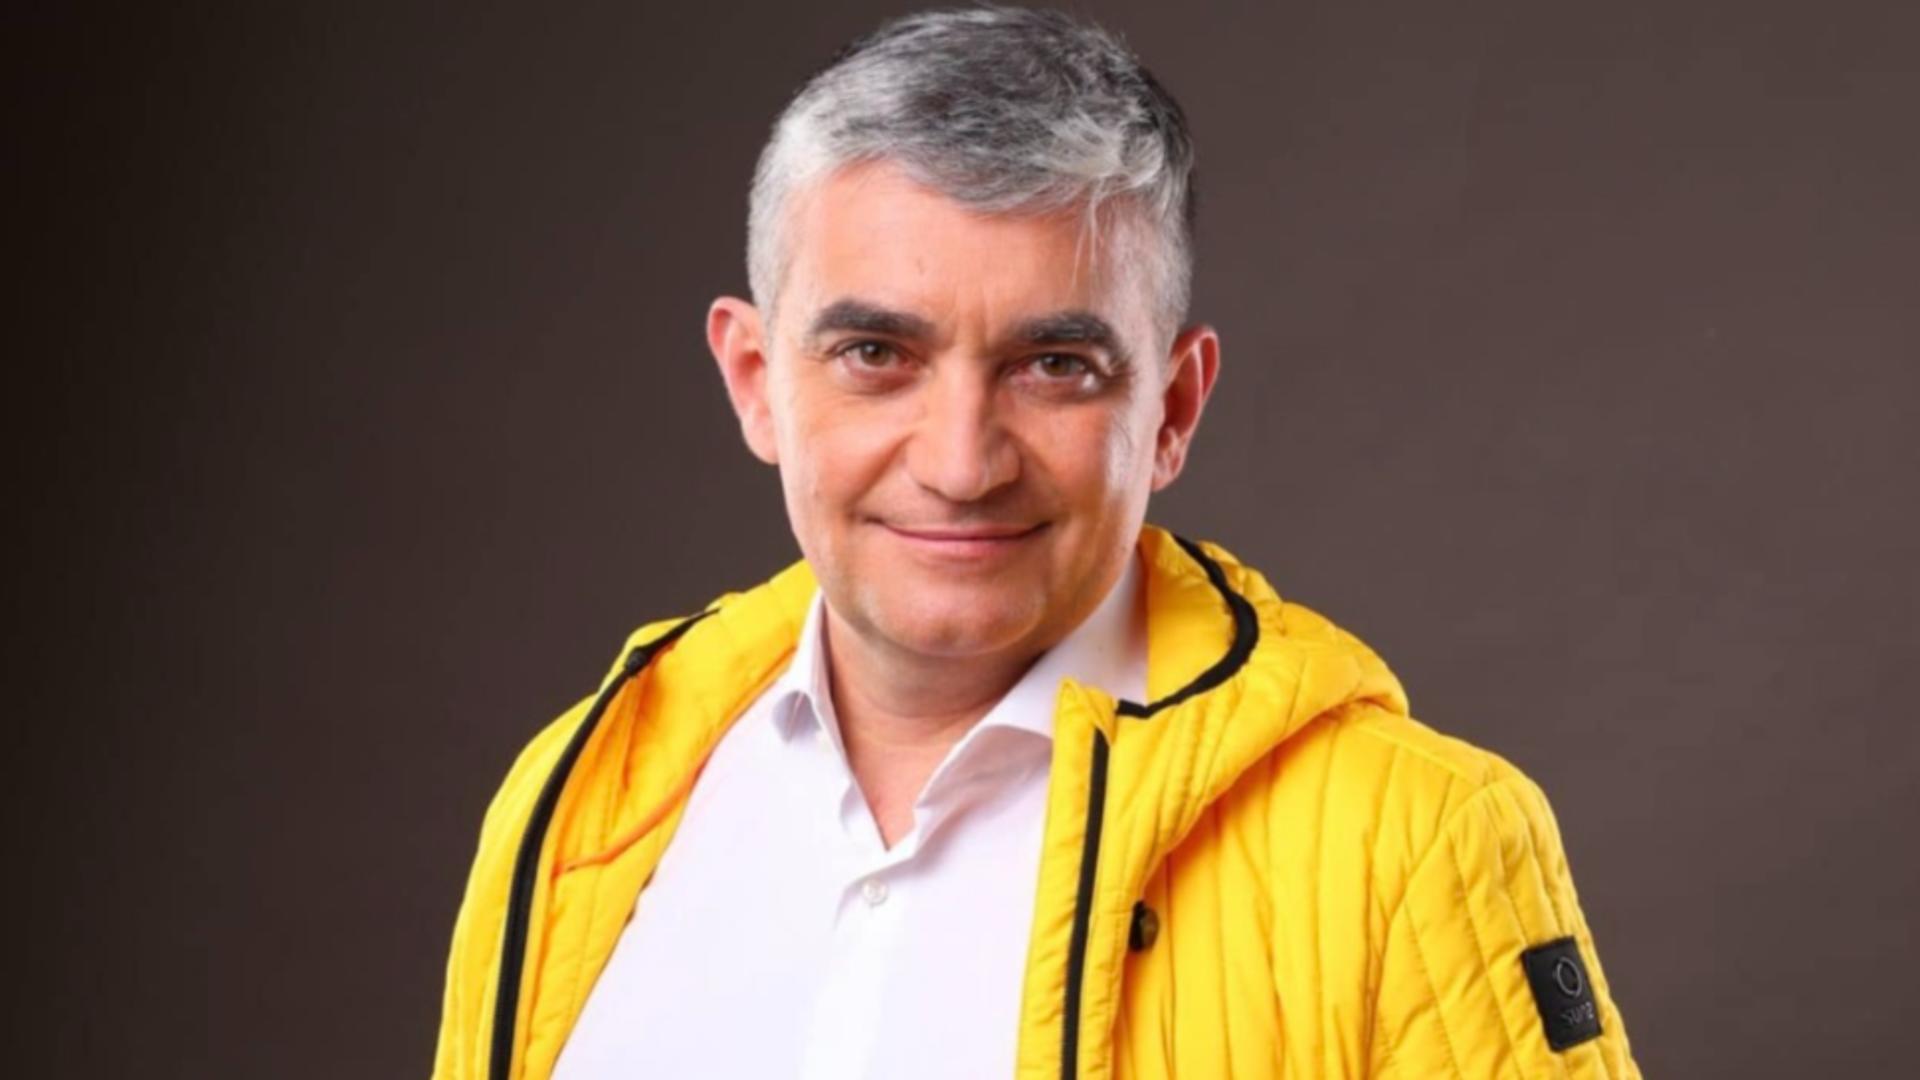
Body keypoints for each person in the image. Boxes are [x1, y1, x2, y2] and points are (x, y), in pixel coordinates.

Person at [431, 6, 1639, 1078]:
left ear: (1172, 411)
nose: (962, 464)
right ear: (755, 381)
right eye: (876, 355)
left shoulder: (1417, 841)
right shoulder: (580, 795)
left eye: (1055, 366)